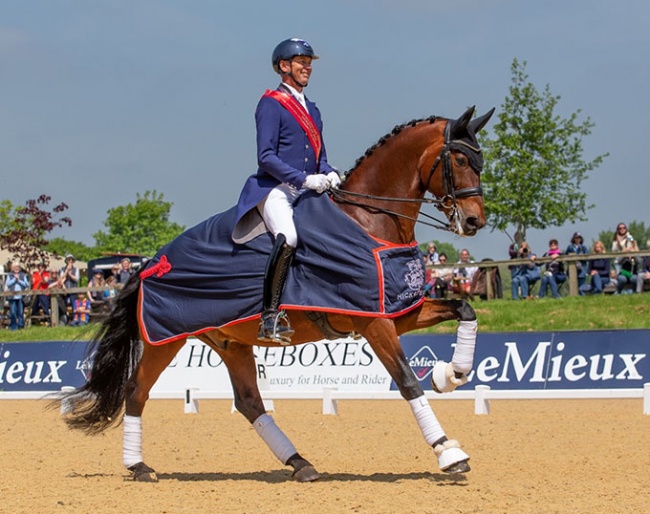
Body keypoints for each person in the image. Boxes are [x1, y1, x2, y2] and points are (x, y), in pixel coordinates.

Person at [233, 38, 339, 344]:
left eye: (309, 63)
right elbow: (265, 157)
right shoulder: (271, 104)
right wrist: (304, 180)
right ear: (283, 66)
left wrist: (330, 173)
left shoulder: (314, 110)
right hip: (275, 188)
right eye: (301, 62)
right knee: (289, 237)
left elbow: (321, 158)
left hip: (307, 188)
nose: (307, 67)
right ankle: (269, 317)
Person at [611, 223, 639, 293]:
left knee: (633, 277)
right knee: (621, 278)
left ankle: (632, 292)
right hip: (619, 262)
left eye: (624, 228)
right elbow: (614, 250)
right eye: (620, 228)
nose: (622, 229)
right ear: (618, 230)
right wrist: (619, 242)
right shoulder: (615, 241)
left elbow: (634, 246)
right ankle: (619, 292)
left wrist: (631, 249)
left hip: (629, 261)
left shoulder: (629, 238)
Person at [6, 261, 30, 330]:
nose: (17, 268)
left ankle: (20, 326)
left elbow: (26, 284)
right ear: (12, 268)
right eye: (15, 267)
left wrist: (19, 280)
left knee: (20, 312)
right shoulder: (10, 275)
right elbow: (8, 284)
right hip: (12, 297)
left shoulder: (23, 275)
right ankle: (13, 327)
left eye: (18, 267)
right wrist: (14, 279)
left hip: (21, 297)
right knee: (13, 313)